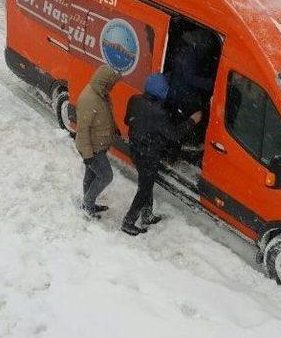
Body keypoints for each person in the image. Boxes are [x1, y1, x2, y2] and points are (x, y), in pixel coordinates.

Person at [122, 73, 202, 236]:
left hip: (135, 148)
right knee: (144, 188)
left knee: (146, 183)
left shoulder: (135, 99)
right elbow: (175, 134)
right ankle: (128, 222)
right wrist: (193, 120)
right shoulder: (159, 113)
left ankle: (147, 215)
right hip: (148, 154)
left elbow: (126, 121)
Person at [75, 65, 122, 219]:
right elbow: (82, 130)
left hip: (98, 145)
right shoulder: (89, 99)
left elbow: (105, 116)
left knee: (91, 175)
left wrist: (114, 128)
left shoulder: (101, 94)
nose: (112, 87)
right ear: (105, 82)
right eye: (111, 84)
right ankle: (88, 203)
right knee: (106, 176)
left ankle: (87, 203)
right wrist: (88, 154)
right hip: (92, 148)